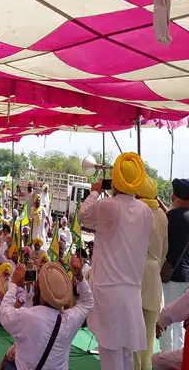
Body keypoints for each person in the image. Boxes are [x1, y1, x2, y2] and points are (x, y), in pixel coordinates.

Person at [79, 152, 153, 370]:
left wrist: (95, 192)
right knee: (126, 355)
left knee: (110, 356)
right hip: (131, 292)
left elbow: (84, 216)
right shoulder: (146, 212)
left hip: (108, 292)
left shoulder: (108, 206)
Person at [0, 258, 94, 370]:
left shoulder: (27, 317)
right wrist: (80, 277)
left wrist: (14, 284)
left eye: (37, 284)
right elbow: (88, 301)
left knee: (7, 361)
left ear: (42, 293)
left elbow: (4, 312)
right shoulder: (70, 320)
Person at [133, 177, 168, 370]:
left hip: (136, 274)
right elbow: (165, 251)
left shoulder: (136, 211)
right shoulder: (162, 216)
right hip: (154, 276)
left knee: (133, 330)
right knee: (148, 333)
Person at [160, 178, 189, 353]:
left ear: (176, 197)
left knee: (168, 318)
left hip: (171, 276)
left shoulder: (170, 218)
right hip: (187, 278)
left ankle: (166, 358)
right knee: (180, 324)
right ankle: (178, 359)